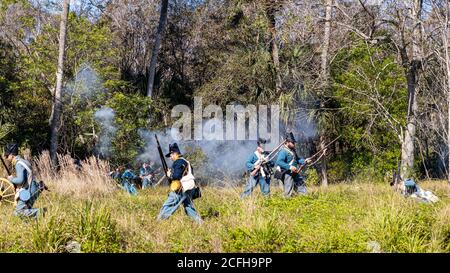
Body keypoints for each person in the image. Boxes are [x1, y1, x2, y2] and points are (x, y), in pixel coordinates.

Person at [157, 143, 202, 223]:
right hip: (190, 188)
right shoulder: (186, 162)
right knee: (188, 207)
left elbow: (176, 176)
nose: (170, 157)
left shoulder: (178, 162)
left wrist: (170, 175)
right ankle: (200, 223)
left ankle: (158, 222)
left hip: (182, 188)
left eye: (171, 155)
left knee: (168, 205)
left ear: (175, 153)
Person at [5, 143, 44, 218]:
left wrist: (11, 179)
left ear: (12, 155)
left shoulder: (18, 163)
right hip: (33, 189)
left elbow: (20, 180)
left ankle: (40, 212)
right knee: (26, 210)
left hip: (29, 191)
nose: (6, 158)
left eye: (7, 156)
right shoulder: (22, 161)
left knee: (18, 213)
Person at [275, 133, 312, 198]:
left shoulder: (292, 151)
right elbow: (279, 162)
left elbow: (297, 160)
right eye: (292, 142)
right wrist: (289, 167)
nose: (294, 144)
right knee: (288, 190)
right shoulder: (283, 151)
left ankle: (305, 198)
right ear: (287, 142)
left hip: (294, 172)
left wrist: (305, 161)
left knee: (301, 184)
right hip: (287, 173)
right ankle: (286, 203)